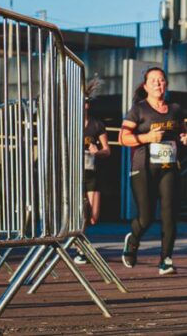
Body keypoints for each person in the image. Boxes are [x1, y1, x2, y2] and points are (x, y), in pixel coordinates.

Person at [119, 67, 187, 275]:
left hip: (169, 167)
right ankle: (133, 241)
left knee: (169, 215)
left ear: (166, 84)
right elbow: (123, 138)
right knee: (146, 217)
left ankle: (166, 260)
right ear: (145, 86)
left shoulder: (175, 109)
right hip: (143, 168)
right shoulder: (138, 110)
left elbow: (184, 134)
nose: (158, 84)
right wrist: (147, 138)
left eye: (161, 80)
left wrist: (186, 140)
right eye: (153, 81)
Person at [77, 96, 110, 265]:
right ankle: (81, 250)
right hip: (74, 175)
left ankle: (81, 245)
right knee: (80, 215)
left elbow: (107, 150)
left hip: (91, 173)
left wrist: (97, 151)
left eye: (85, 102)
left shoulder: (96, 125)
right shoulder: (69, 124)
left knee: (93, 217)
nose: (84, 105)